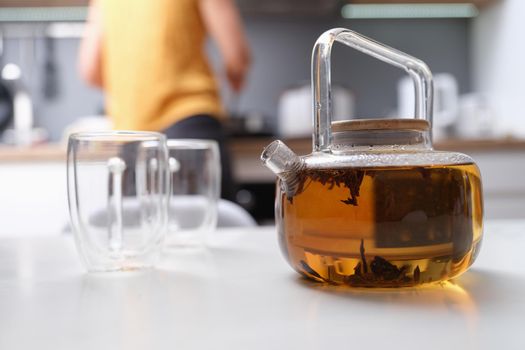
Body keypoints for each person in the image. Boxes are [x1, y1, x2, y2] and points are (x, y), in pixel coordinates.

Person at [78, 0, 251, 200]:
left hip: (132, 140)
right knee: (210, 227)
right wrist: (235, 76)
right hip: (190, 128)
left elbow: (89, 70)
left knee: (138, 230)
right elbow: (236, 56)